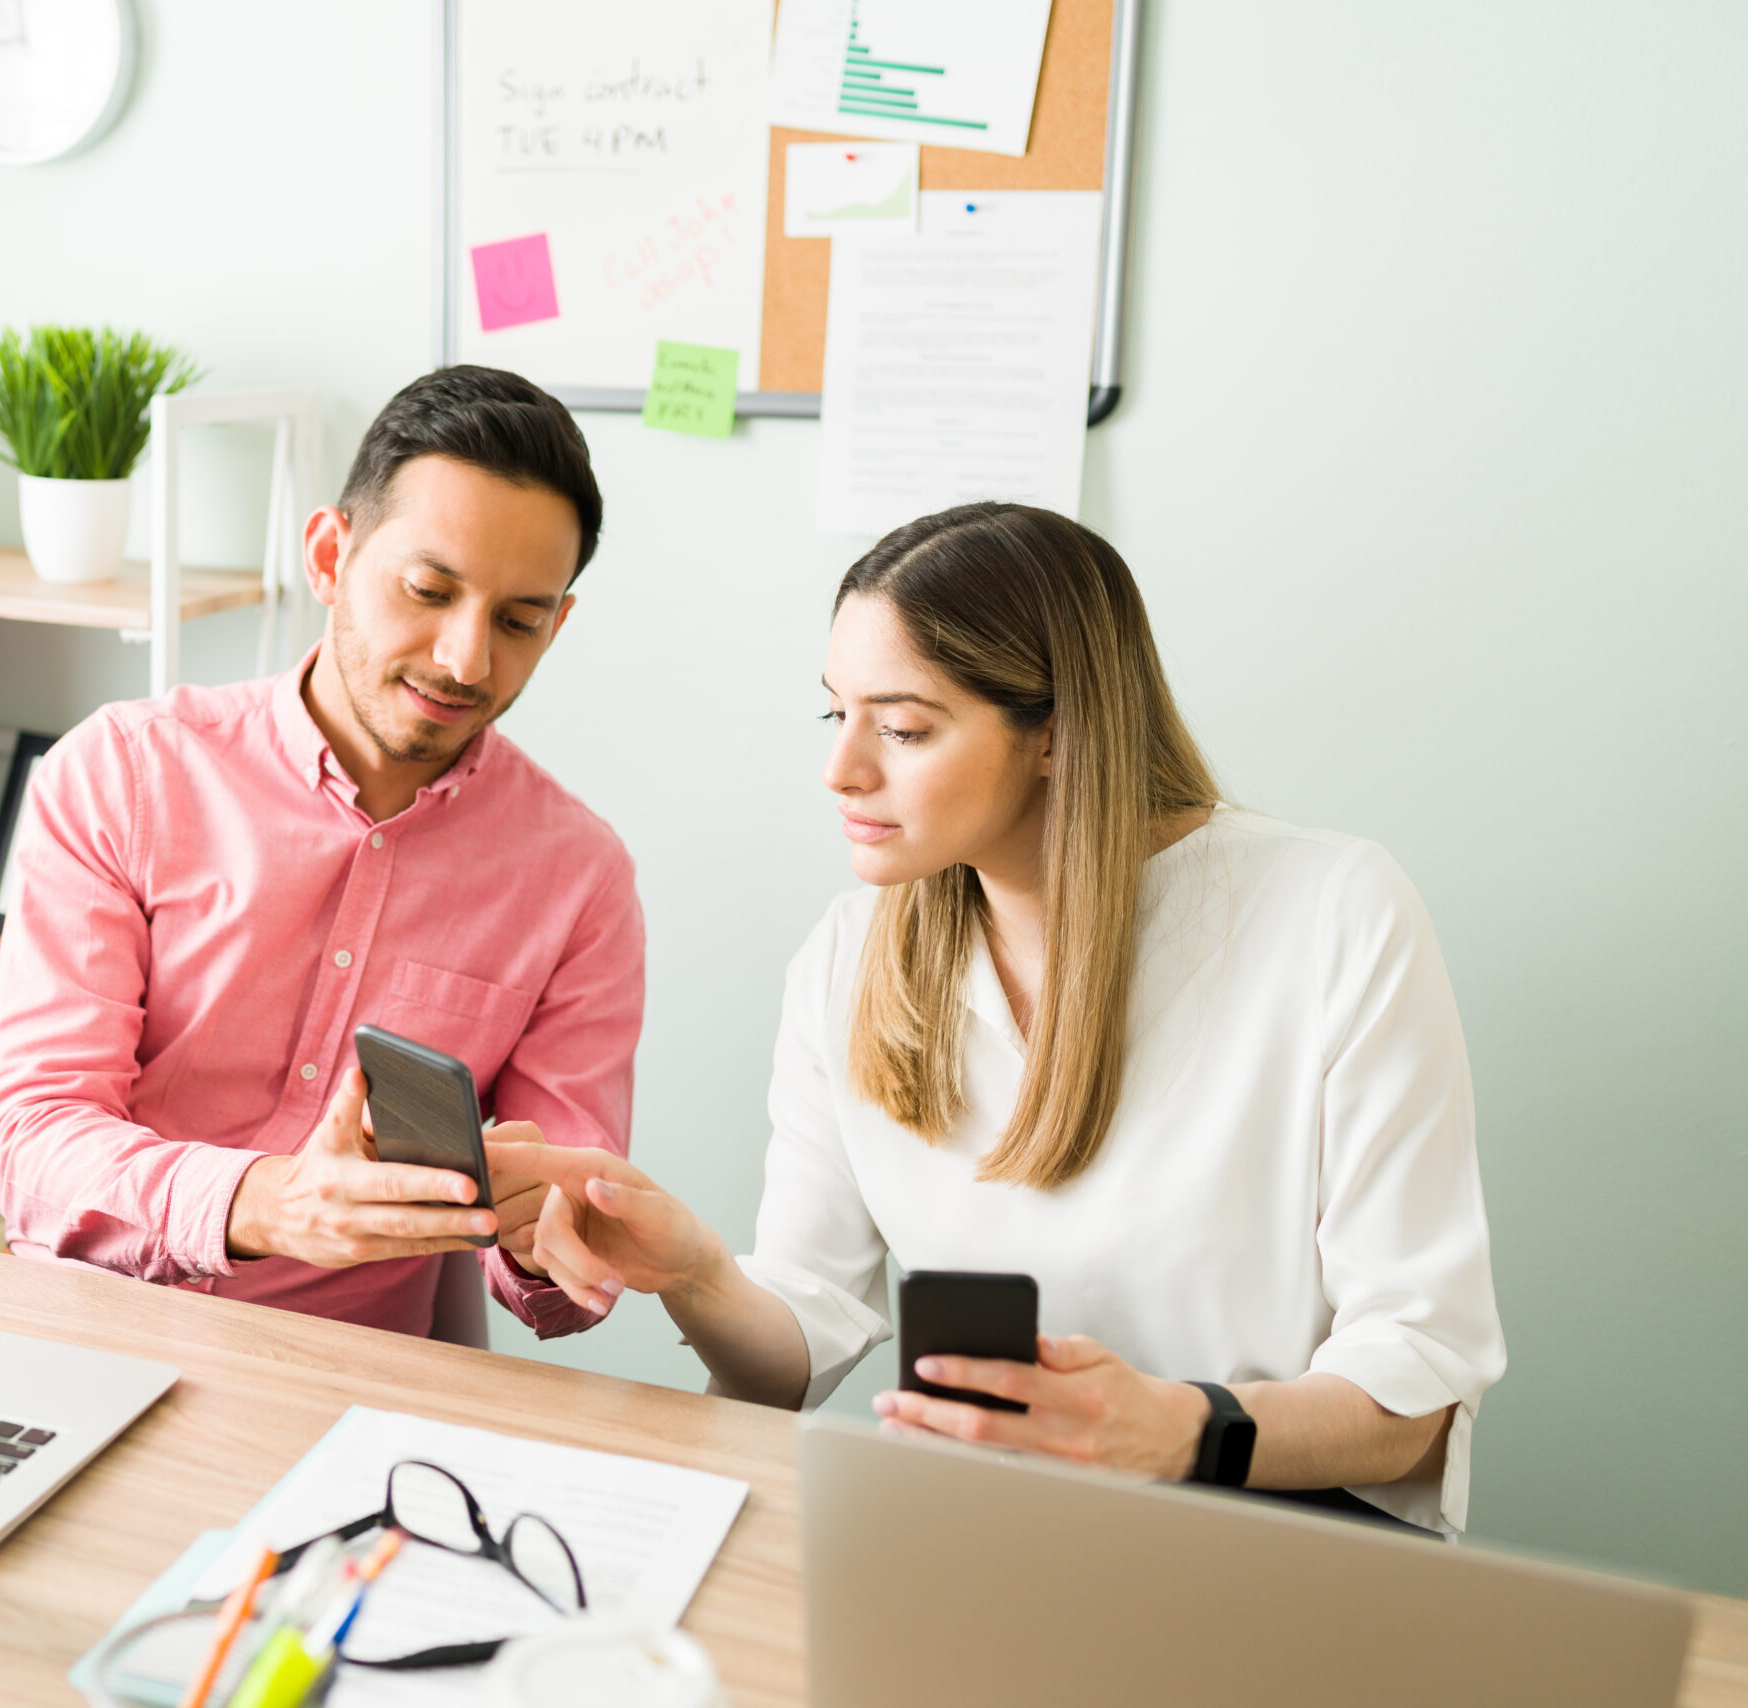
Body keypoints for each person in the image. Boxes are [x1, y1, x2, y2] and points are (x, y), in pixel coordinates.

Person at [500, 502, 1505, 1533]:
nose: (841, 770)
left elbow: (1416, 1400)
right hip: (995, 1533)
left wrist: (1177, 1428)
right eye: (833, 714)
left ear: (1056, 736)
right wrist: (698, 1273)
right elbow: (799, 1344)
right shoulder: (848, 961)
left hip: (1273, 1541)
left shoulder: (1331, 911)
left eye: (901, 728)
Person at [0, 366, 643, 1340]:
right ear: (329, 556)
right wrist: (265, 1201)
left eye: (517, 620)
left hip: (356, 1379)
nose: (465, 659)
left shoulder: (577, 877)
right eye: (427, 590)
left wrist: (551, 1239)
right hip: (91, 1328)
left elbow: (552, 1263)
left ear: (558, 622)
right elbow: (32, 1139)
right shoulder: (119, 773)